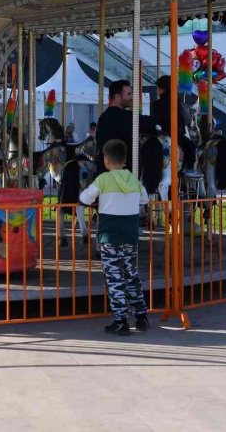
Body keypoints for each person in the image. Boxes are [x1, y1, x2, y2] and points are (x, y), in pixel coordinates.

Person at [80, 139, 149, 335]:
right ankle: (141, 315)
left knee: (114, 278)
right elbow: (144, 199)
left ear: (107, 160)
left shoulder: (103, 179)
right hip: (130, 235)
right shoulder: (134, 180)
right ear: (125, 159)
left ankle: (120, 320)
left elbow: (85, 198)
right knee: (131, 275)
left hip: (109, 237)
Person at [95, 80, 159, 174]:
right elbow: (149, 123)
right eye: (129, 94)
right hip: (121, 173)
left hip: (105, 170)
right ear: (117, 96)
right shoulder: (124, 117)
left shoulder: (104, 116)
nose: (132, 97)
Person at [149, 75, 198, 172]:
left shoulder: (155, 104)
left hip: (160, 133)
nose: (157, 91)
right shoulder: (177, 101)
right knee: (190, 146)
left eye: (157, 88)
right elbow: (184, 119)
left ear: (161, 89)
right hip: (174, 133)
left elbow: (154, 120)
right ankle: (189, 168)